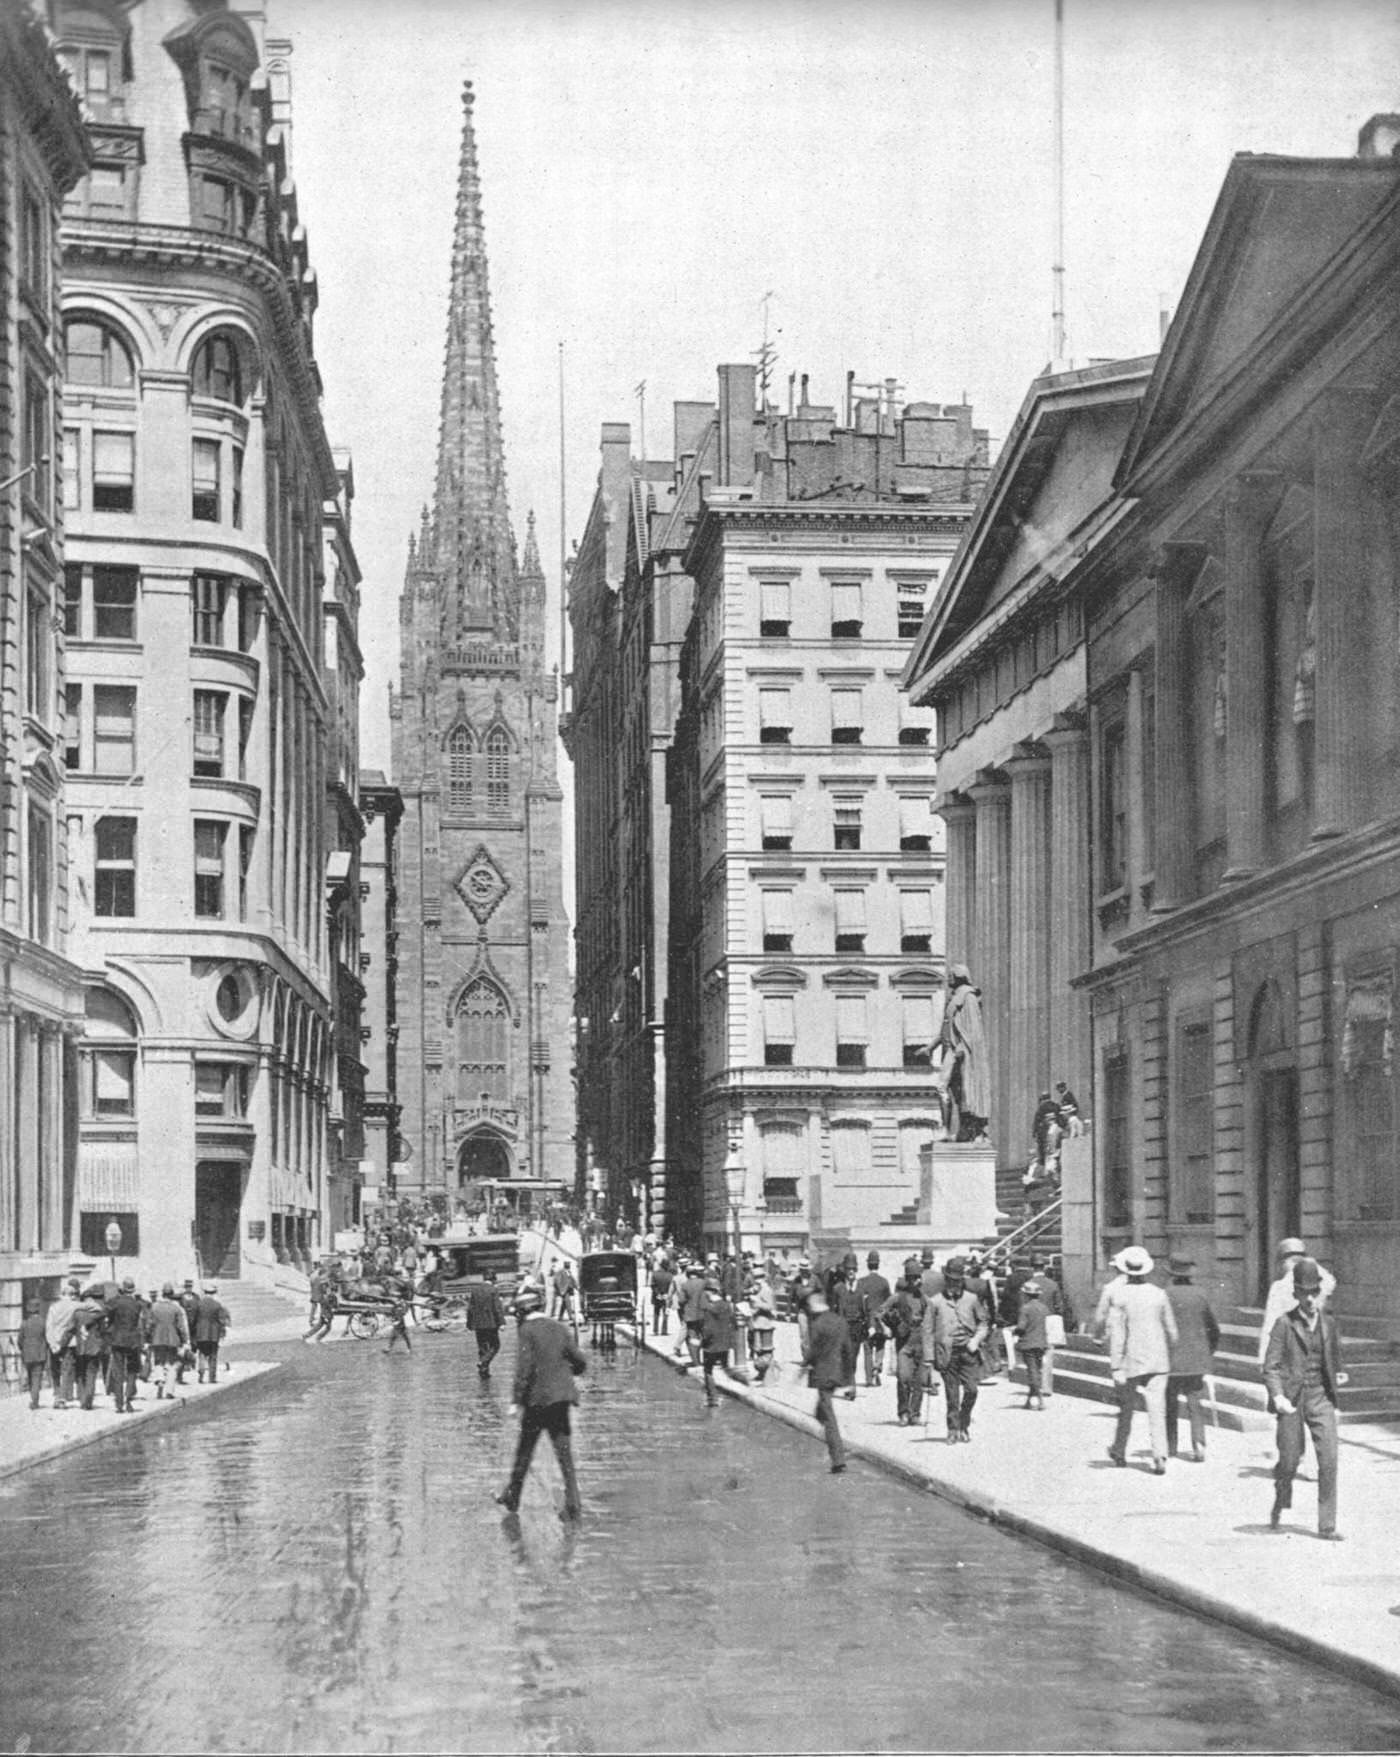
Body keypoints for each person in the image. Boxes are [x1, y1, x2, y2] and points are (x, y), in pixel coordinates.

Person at [1263, 1256, 1346, 1540]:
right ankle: (1280, 1498)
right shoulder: (1284, 1324)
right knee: (1289, 1460)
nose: (1310, 1299)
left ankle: (1327, 1525)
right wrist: (1277, 1396)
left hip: (1321, 1397)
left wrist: (1340, 1378)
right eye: (1304, 1293)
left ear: (1319, 1292)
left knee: (1330, 1459)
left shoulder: (1329, 1323)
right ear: (1295, 1293)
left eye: (1314, 1292)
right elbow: (1270, 1367)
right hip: (1292, 1399)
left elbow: (1334, 1357)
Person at [494, 1286, 586, 1518]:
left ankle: (513, 1497)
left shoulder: (527, 1330)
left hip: (537, 1401)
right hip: (561, 1400)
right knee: (565, 1455)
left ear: (521, 1312)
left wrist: (516, 1400)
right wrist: (567, 1372)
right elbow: (579, 1361)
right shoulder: (559, 1327)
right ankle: (573, 1504)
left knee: (524, 1451)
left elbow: (524, 1367)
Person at [1103, 1246, 1177, 1474]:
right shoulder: (1159, 1293)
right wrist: (1168, 1353)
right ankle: (1159, 1455)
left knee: (1126, 1409)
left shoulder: (1119, 1296)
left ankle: (1119, 1450)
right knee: (1158, 1409)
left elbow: (1117, 1335)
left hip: (1130, 1360)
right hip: (1158, 1359)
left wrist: (1115, 1365)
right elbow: (1172, 1331)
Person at [925, 1257, 989, 1442]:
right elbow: (927, 1331)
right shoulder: (935, 1302)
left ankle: (964, 1422)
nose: (954, 1284)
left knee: (972, 1390)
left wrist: (976, 1340)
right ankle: (953, 1430)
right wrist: (929, 1357)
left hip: (968, 1352)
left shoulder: (972, 1299)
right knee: (952, 1394)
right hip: (947, 1354)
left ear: (962, 1281)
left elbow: (983, 1323)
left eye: (958, 1280)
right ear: (946, 1280)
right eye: (951, 1280)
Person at [1164, 1255, 1220, 1461]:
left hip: (1171, 1360)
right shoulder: (1201, 1295)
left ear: (1171, 1274)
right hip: (1197, 1359)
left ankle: (1170, 1446)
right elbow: (1213, 1328)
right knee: (1195, 1403)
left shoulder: (1165, 1295)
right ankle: (1198, 1444)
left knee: (1170, 1403)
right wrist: (1208, 1351)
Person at [1257, 1238, 1336, 1364]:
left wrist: (1263, 1359)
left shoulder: (1280, 1287)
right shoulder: (1324, 1282)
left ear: (1282, 1262)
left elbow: (1270, 1324)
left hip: (1291, 1348)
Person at [936, 963, 990, 1142]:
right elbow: (945, 1028)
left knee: (962, 1091)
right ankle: (945, 1127)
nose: (948, 978)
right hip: (950, 1049)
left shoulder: (968, 996)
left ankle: (967, 1129)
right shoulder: (953, 999)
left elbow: (973, 1027)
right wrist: (930, 1047)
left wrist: (963, 1046)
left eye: (951, 974)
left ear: (960, 976)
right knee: (946, 1088)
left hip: (960, 1049)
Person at [802, 1291, 853, 1473]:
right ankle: (831, 1439)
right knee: (821, 1411)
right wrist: (850, 1379)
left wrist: (804, 1363)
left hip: (823, 1374)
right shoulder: (840, 1321)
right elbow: (848, 1350)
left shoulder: (817, 1324)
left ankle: (838, 1459)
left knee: (828, 1417)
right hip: (838, 1372)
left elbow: (814, 1350)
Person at [884, 1260, 928, 1428]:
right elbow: (879, 1313)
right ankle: (903, 1412)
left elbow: (933, 1318)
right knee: (903, 1378)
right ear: (909, 1279)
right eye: (915, 1278)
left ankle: (915, 1414)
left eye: (919, 1278)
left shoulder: (924, 1299)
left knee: (920, 1381)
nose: (918, 1281)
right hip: (904, 1344)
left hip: (920, 1343)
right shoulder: (897, 1298)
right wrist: (887, 1328)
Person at [106, 1277, 146, 1414]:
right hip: (132, 1341)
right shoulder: (138, 1304)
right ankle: (128, 1400)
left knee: (118, 1371)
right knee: (132, 1371)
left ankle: (119, 1403)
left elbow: (108, 1319)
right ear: (133, 1290)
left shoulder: (114, 1303)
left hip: (117, 1340)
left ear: (122, 1289)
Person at [855, 1251, 892, 1387]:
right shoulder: (884, 1282)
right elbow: (889, 1302)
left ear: (868, 1265)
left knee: (867, 1349)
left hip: (867, 1320)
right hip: (881, 1321)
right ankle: (877, 1366)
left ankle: (869, 1379)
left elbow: (859, 1302)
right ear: (878, 1265)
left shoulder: (861, 1282)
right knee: (881, 1346)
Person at [146, 1284, 190, 1399]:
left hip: (157, 1338)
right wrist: (185, 1341)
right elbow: (181, 1327)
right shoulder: (176, 1308)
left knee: (158, 1361)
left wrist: (147, 1338)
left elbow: (149, 1325)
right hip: (172, 1339)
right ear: (171, 1295)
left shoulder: (154, 1307)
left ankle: (160, 1378)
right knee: (171, 1364)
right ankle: (169, 1390)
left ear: (162, 1294)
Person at [699, 1278, 737, 1407]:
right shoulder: (727, 1305)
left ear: (711, 1291)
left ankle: (713, 1397)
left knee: (708, 1370)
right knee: (725, 1367)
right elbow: (732, 1322)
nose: (705, 1293)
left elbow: (708, 1329)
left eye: (707, 1291)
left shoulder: (710, 1308)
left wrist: (702, 1341)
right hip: (725, 1342)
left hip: (712, 1344)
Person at [46, 1278, 81, 1409]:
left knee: (55, 1369)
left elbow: (49, 1327)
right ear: (72, 1295)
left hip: (54, 1341)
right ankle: (63, 1397)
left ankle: (57, 1392)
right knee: (67, 1369)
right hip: (69, 1343)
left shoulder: (53, 1307)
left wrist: (52, 1343)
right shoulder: (75, 1306)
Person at [72, 1286, 110, 1410]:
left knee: (81, 1374)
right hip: (94, 1347)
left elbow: (71, 1330)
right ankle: (88, 1401)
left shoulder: (77, 1313)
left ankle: (82, 1397)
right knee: (91, 1374)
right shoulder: (99, 1313)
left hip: (80, 1347)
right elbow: (103, 1331)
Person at [1016, 1279, 1049, 1411]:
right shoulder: (1044, 1308)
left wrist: (1014, 1331)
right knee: (1036, 1370)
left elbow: (1021, 1327)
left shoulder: (1025, 1308)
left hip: (1028, 1342)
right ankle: (1030, 1400)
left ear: (1026, 1295)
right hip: (1041, 1342)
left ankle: (1039, 1399)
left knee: (1032, 1371)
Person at [466, 1271, 506, 1378]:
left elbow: (470, 1308)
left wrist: (469, 1323)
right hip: (491, 1323)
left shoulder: (475, 1290)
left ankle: (484, 1371)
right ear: (494, 1279)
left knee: (482, 1347)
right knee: (495, 1345)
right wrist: (501, 1322)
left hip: (478, 1324)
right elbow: (497, 1308)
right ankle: (483, 1362)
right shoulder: (493, 1290)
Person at [193, 1283, 230, 1383]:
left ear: (205, 1292)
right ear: (214, 1293)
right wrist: (222, 1333)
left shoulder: (198, 1304)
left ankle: (201, 1373)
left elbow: (194, 1319)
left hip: (201, 1333)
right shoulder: (217, 1305)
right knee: (213, 1356)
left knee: (201, 1354)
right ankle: (212, 1377)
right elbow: (221, 1320)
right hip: (213, 1334)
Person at [18, 1298, 49, 1410]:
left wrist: (23, 1349)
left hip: (27, 1355)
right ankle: (35, 1400)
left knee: (31, 1377)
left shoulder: (24, 1323)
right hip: (40, 1354)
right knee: (37, 1377)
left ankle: (33, 1398)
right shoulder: (43, 1322)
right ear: (38, 1310)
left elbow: (20, 1340)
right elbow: (47, 1338)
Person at [383, 1289, 414, 1353]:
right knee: (401, 1335)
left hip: (400, 1322)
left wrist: (397, 1320)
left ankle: (389, 1348)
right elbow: (392, 1312)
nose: (394, 1298)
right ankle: (408, 1348)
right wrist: (392, 1318)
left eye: (395, 1297)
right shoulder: (396, 1305)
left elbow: (404, 1312)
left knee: (396, 1335)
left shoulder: (402, 1304)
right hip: (397, 1321)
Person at [650, 1256, 674, 1335]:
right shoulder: (670, 1275)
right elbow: (671, 1287)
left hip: (657, 1297)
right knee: (666, 1314)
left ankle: (655, 1330)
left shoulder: (655, 1274)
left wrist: (658, 1294)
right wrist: (666, 1295)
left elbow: (653, 1285)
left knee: (656, 1313)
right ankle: (664, 1330)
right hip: (666, 1297)